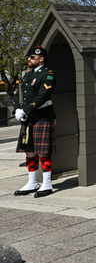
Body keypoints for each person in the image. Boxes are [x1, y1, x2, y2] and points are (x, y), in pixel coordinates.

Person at [12, 46, 57, 198]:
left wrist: (26, 110)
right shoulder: (27, 75)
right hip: (28, 118)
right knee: (29, 150)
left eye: (32, 57)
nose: (29, 60)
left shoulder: (48, 74)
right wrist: (17, 109)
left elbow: (43, 96)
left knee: (43, 150)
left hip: (42, 116)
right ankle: (32, 182)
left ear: (41, 58)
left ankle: (47, 183)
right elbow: (18, 94)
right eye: (29, 57)